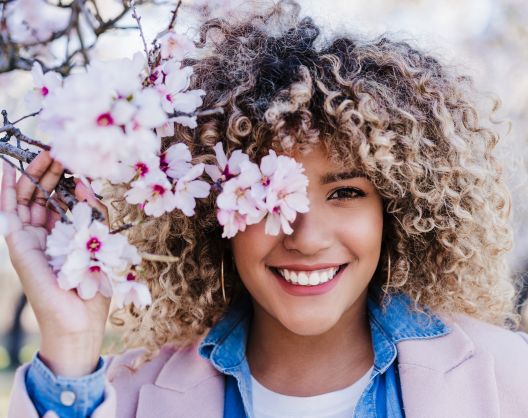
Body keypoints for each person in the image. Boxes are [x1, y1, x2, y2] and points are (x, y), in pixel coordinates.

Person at [5, 1, 528, 417]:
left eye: (345, 191)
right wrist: (69, 350)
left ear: (397, 210)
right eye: (267, 196)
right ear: (210, 215)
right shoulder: (119, 397)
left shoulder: (510, 380)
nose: (304, 235)